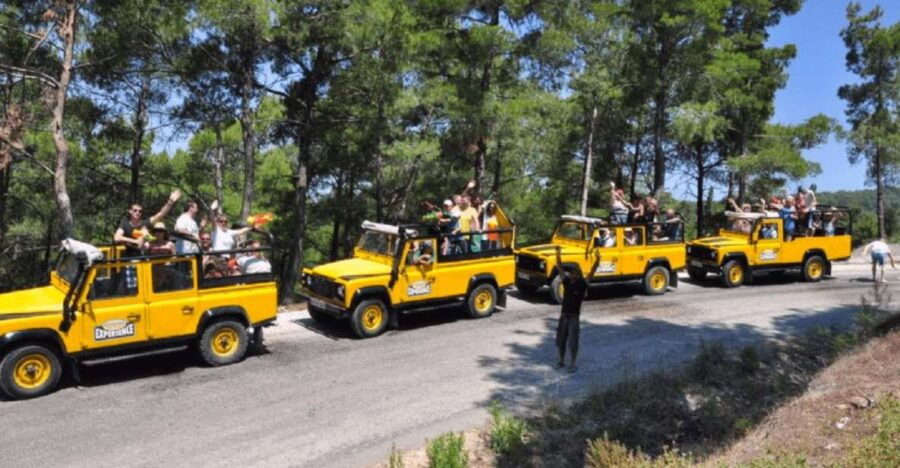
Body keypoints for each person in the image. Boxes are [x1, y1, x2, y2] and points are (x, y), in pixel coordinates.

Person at [554, 246, 600, 373]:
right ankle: (562, 361)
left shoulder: (582, 284)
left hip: (574, 316)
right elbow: (559, 267)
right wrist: (558, 254)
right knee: (561, 340)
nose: (570, 274)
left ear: (578, 274)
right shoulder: (567, 282)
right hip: (564, 315)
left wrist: (597, 259)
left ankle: (572, 364)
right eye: (570, 273)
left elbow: (593, 271)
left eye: (572, 273)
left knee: (573, 341)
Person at [114, 189, 182, 258]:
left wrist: (170, 202)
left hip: (142, 257)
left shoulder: (145, 223)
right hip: (127, 258)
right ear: (130, 211)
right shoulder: (125, 223)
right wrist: (135, 241)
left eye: (140, 211)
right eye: (135, 210)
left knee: (144, 233)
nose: (137, 212)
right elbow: (117, 237)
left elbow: (161, 214)